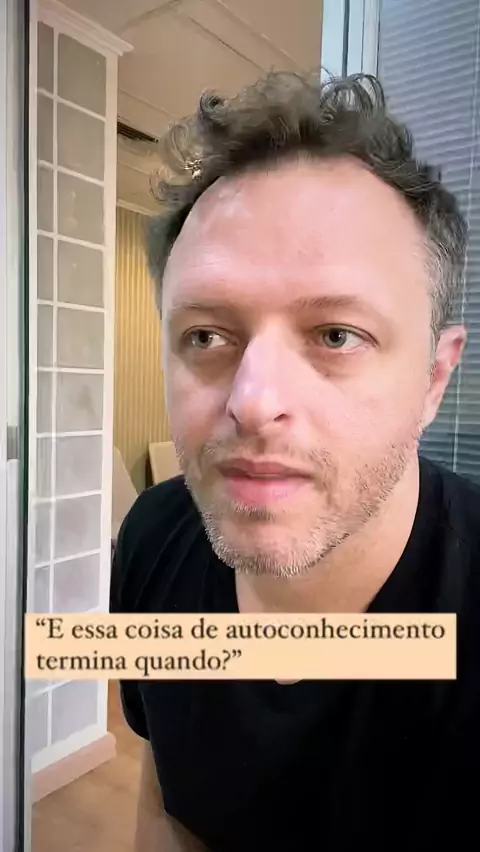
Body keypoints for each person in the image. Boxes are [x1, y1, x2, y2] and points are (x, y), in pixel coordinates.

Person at [110, 71, 480, 851]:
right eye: (206, 336)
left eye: (337, 335)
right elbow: (166, 791)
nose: (253, 401)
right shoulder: (151, 537)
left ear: (434, 379)